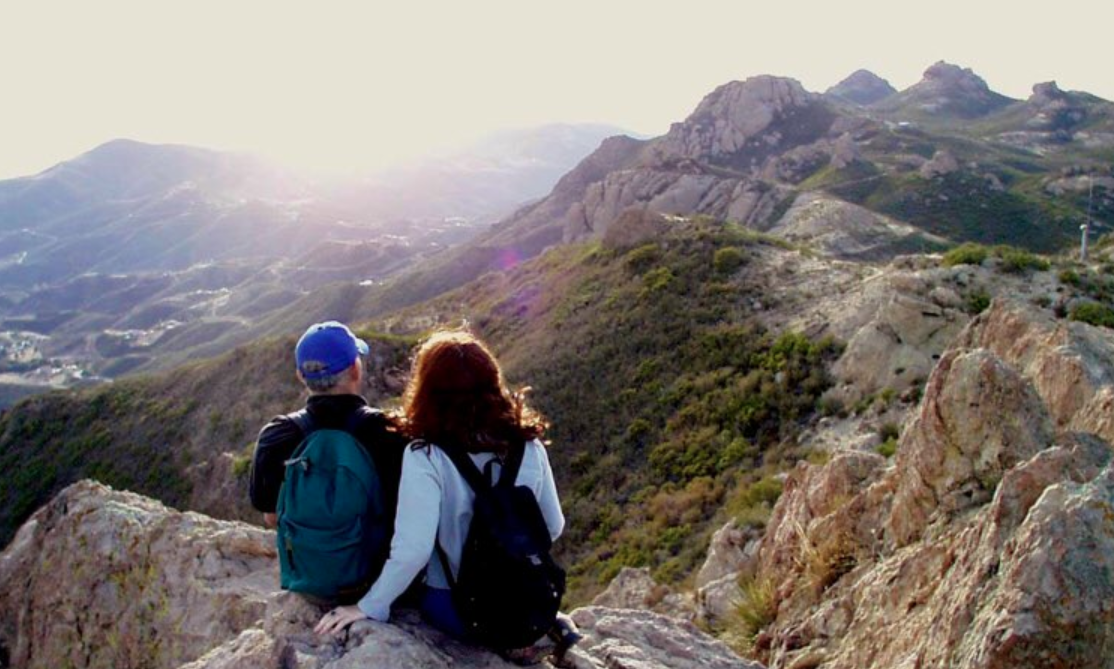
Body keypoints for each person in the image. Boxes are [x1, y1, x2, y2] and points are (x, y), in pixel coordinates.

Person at [314, 330, 575, 661]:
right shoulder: (528, 445)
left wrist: (369, 606)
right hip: (522, 597)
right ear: (494, 382)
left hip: (457, 606)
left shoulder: (426, 455)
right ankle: (539, 628)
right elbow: (553, 525)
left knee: (410, 589)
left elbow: (413, 550)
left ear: (427, 389)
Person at [249, 320, 407, 598]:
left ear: (301, 375)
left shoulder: (276, 436)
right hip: (378, 583)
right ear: (356, 369)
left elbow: (271, 516)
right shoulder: (390, 432)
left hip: (309, 582)